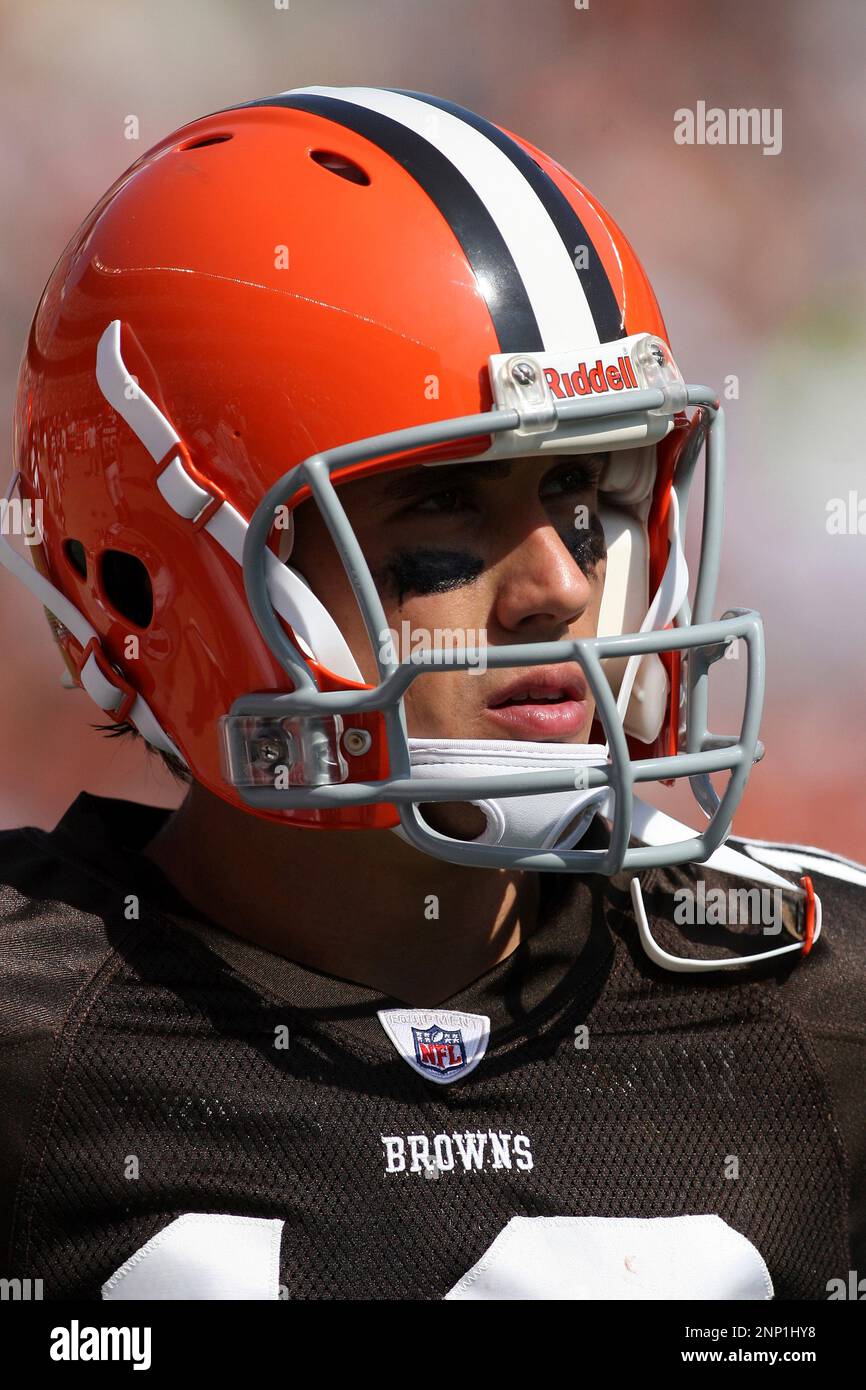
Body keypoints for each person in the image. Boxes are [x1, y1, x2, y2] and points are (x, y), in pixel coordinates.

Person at [0, 86, 863, 1302]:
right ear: (156, 574)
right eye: (445, 501)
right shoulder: (31, 1035)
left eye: (584, 489)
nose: (560, 585)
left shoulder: (814, 997)